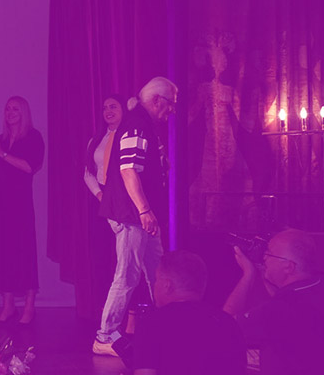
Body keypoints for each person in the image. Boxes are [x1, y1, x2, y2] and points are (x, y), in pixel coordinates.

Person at [94, 77, 177, 356]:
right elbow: (128, 170)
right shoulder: (137, 124)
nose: (172, 110)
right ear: (156, 100)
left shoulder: (142, 124)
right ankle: (105, 335)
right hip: (133, 215)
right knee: (127, 274)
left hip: (141, 215)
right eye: (170, 104)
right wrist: (143, 210)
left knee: (157, 272)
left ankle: (167, 326)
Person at [223, 229, 324, 375]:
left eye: (269, 254)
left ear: (289, 267)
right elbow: (289, 297)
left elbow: (224, 326)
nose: (264, 257)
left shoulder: (277, 310)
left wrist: (248, 275)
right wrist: (265, 273)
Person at [132, 250, 245, 375]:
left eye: (157, 280)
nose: (154, 286)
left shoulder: (152, 323)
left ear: (167, 286)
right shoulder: (228, 324)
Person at [0, 96, 45, 324]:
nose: (10, 113)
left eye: (15, 109)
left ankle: (29, 305)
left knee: (24, 250)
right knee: (2, 252)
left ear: (24, 113)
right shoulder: (0, 139)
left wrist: (2, 153)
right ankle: (8, 304)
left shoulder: (33, 137)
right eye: (7, 109)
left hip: (20, 203)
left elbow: (29, 166)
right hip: (0, 202)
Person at [81, 96, 125, 319]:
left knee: (123, 258)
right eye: (105, 108)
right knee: (101, 256)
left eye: (113, 107)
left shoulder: (129, 137)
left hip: (124, 201)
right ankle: (103, 310)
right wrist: (100, 195)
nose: (108, 111)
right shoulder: (96, 139)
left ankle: (127, 312)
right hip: (100, 201)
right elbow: (88, 173)